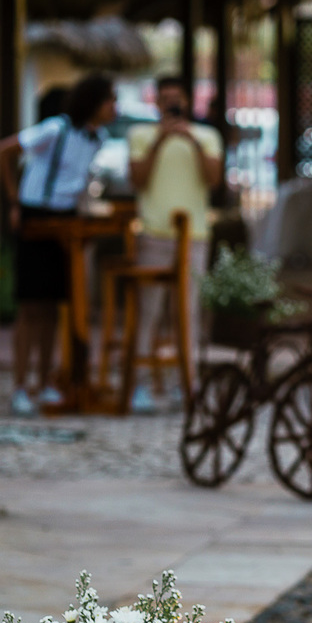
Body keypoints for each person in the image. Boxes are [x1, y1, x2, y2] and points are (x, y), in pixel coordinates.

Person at [0, 74, 117, 416]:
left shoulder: (97, 138)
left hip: (66, 220)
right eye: (110, 100)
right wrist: (14, 201)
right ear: (94, 102)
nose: (114, 108)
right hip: (37, 215)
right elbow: (5, 151)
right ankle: (20, 384)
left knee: (52, 307)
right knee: (30, 306)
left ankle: (44, 381)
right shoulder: (55, 129)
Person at [125, 77, 223, 411]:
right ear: (156, 103)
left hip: (194, 236)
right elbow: (137, 180)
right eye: (164, 98)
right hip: (154, 233)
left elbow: (214, 179)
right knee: (149, 311)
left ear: (187, 102)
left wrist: (190, 139)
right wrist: (159, 141)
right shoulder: (141, 135)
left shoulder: (206, 136)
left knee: (187, 312)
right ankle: (140, 385)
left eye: (176, 99)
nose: (170, 104)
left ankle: (186, 383)